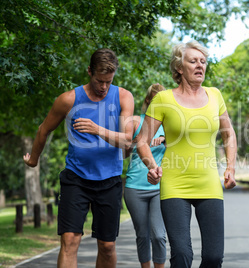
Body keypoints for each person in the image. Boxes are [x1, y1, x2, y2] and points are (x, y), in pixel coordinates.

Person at [23, 48, 135, 268]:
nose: (104, 87)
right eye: (99, 81)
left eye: (108, 82)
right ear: (89, 72)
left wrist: (97, 129)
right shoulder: (68, 99)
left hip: (109, 179)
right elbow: (44, 129)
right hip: (76, 178)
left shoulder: (123, 96)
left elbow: (127, 140)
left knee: (107, 245)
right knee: (70, 240)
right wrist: (34, 160)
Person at [135, 40, 237, 268]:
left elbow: (229, 133)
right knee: (181, 256)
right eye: (193, 61)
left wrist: (230, 167)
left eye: (203, 61)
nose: (200, 66)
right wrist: (152, 166)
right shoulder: (163, 99)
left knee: (213, 258)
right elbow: (141, 141)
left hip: (209, 183)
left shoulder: (215, 95)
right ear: (179, 68)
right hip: (175, 184)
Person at [124, 83, 167, 268]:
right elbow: (124, 153)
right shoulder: (135, 121)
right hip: (135, 185)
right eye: (154, 100)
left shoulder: (170, 124)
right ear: (148, 101)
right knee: (142, 234)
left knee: (158, 235)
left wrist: (166, 139)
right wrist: (140, 141)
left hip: (160, 186)